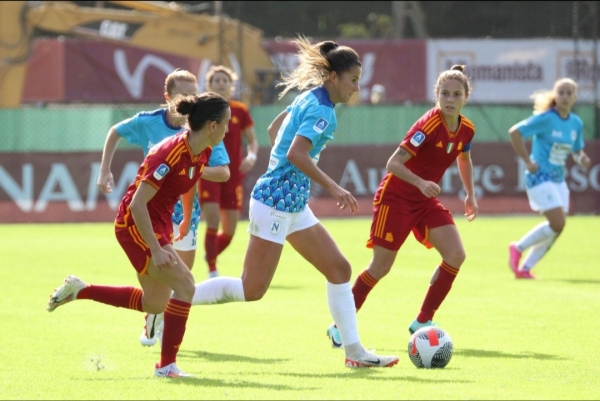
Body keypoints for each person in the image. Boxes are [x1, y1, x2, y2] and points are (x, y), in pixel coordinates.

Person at [188, 36, 399, 368]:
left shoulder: (308, 98)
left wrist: (287, 170)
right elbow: (295, 152)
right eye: (353, 80)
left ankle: (355, 354)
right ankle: (178, 298)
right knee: (251, 288)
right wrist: (333, 187)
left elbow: (276, 130)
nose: (357, 87)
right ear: (333, 77)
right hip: (275, 203)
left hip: (291, 204)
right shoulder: (323, 111)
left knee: (339, 269)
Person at [47, 92, 232, 378]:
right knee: (186, 286)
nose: (228, 129)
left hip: (158, 226)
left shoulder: (202, 150)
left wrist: (181, 223)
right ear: (211, 125)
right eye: (226, 123)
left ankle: (80, 290)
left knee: (155, 303)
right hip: (135, 224)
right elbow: (137, 204)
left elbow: (190, 182)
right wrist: (156, 249)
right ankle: (166, 366)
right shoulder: (169, 152)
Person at [327, 65, 478, 347]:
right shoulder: (428, 126)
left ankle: (423, 320)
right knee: (380, 267)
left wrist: (470, 193)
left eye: (456, 94)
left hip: (424, 201)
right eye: (444, 93)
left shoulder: (467, 130)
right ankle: (339, 327)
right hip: (395, 199)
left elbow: (464, 158)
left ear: (465, 98)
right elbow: (393, 164)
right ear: (436, 94)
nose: (450, 99)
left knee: (456, 255)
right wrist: (421, 182)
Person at [97, 69, 230, 346]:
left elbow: (207, 174)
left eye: (193, 93)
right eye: (183, 94)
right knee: (181, 286)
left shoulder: (200, 141)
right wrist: (104, 170)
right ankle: (163, 351)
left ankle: (161, 328)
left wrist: (187, 211)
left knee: (178, 287)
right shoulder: (165, 141)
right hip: (145, 213)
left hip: (176, 215)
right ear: (168, 97)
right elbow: (138, 201)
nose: (189, 99)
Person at [508, 78, 591, 279]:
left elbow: (576, 150)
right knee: (558, 223)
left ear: (574, 97)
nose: (564, 96)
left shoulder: (575, 123)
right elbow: (515, 132)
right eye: (561, 92)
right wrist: (528, 161)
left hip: (558, 179)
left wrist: (581, 158)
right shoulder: (546, 118)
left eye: (569, 93)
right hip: (539, 177)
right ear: (555, 95)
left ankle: (525, 268)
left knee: (558, 228)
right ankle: (518, 248)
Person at [199, 65, 259, 278]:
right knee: (213, 221)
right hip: (209, 173)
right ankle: (212, 270)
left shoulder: (240, 110)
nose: (221, 84)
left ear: (231, 85)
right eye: (217, 80)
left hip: (233, 176)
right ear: (209, 85)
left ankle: (210, 254)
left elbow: (252, 141)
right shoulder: (202, 110)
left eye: (225, 80)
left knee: (230, 231)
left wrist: (251, 156)